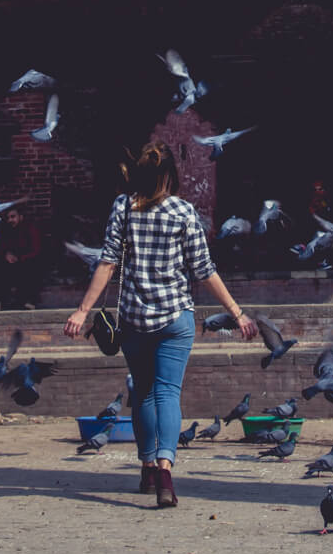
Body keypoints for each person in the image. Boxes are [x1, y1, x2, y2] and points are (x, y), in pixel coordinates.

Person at [64, 141, 258, 507]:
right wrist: (237, 313)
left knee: (143, 393)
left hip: (135, 320)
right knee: (168, 393)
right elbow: (205, 271)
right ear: (170, 175)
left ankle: (147, 465)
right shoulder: (184, 212)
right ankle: (166, 470)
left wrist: (81, 311)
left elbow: (106, 263)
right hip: (175, 319)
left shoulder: (123, 207)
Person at [0, 206, 44, 310]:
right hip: (11, 262)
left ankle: (29, 301)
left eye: (13, 217)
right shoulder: (7, 231)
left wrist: (20, 258)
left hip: (27, 260)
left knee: (30, 268)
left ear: (20, 217)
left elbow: (36, 250)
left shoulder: (30, 229)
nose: (10, 220)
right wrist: (6, 255)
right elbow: (2, 248)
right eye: (8, 218)